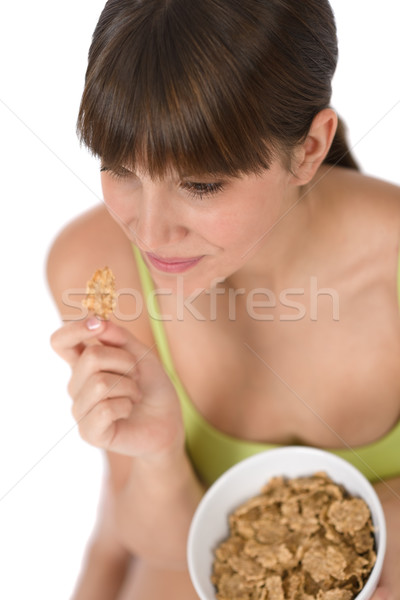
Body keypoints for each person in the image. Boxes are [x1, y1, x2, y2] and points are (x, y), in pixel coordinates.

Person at [47, 0, 400, 598]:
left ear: (310, 149)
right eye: (120, 169)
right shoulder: (92, 267)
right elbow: (164, 549)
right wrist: (157, 450)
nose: (150, 234)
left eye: (202, 184)